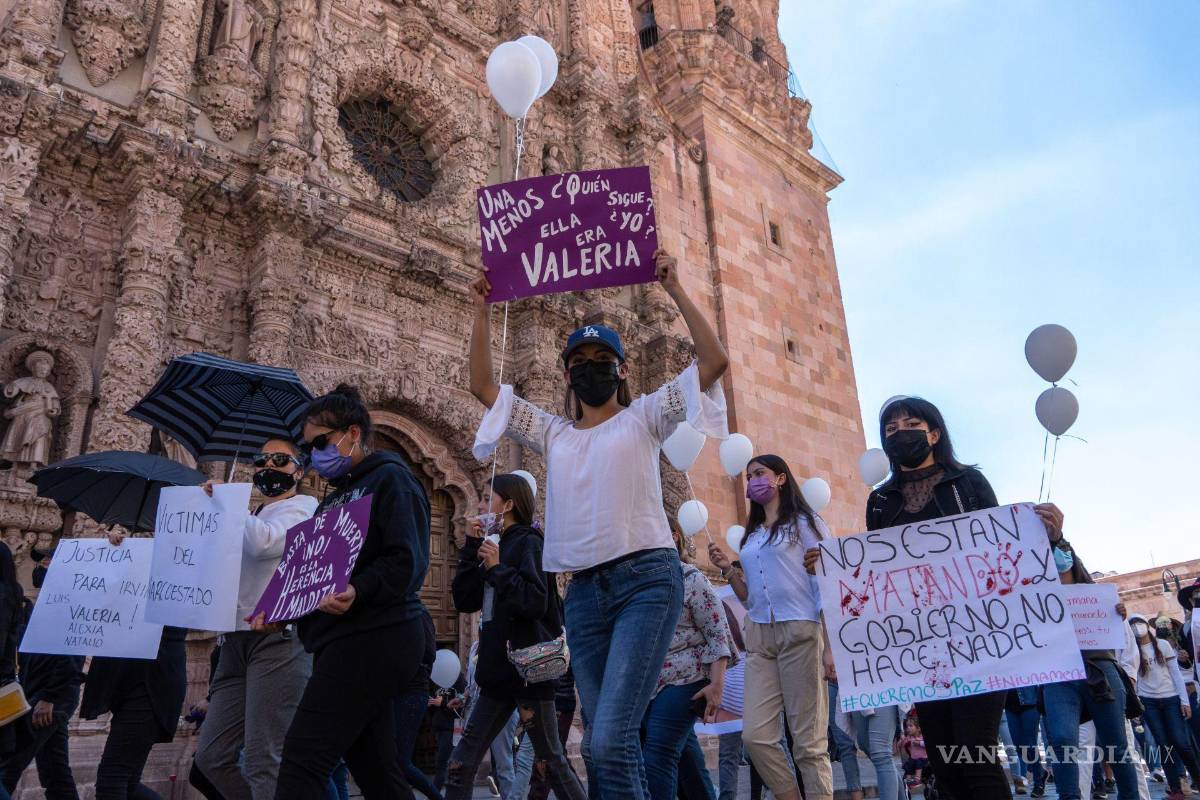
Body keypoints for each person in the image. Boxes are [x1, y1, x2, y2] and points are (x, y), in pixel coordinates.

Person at [469, 248, 729, 800]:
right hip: (583, 592)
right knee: (596, 745)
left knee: (609, 737)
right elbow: (485, 388)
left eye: (601, 357)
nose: (591, 366)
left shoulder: (647, 415)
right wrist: (482, 309)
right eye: (579, 359)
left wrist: (675, 286)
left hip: (646, 581)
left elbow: (712, 363)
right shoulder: (553, 432)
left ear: (622, 367)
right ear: (567, 372)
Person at [824, 396, 1055, 800]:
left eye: (910, 423)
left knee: (975, 754)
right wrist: (829, 568)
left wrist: (1049, 535)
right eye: (890, 430)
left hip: (980, 640)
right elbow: (879, 573)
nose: (900, 433)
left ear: (933, 433)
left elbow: (1001, 550)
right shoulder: (880, 501)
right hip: (925, 649)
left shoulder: (969, 483)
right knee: (945, 762)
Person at [269, 384, 431, 800]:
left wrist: (358, 590)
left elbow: (406, 562)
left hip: (376, 635)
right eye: (308, 449)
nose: (315, 455)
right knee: (378, 773)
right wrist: (278, 605)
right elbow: (313, 574)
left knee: (302, 761)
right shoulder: (332, 501)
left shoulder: (391, 479)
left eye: (320, 442)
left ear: (352, 434)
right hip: (340, 640)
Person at [446, 473, 585, 800]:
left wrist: (498, 569)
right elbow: (465, 601)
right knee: (460, 765)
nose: (479, 504)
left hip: (529, 674)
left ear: (508, 504)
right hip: (497, 674)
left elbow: (536, 602)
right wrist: (470, 549)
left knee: (551, 761)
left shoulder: (531, 542)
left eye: (486, 497)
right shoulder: (492, 546)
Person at [194, 439, 318, 799]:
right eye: (260, 460)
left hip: (276, 640)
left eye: (280, 459)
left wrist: (228, 506)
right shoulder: (254, 514)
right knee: (211, 756)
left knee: (265, 757)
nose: (268, 467)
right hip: (234, 639)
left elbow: (265, 543)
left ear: (299, 468)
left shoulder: (305, 507)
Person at [708, 454, 833, 800]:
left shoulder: (806, 522)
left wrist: (830, 648)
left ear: (780, 479)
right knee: (756, 736)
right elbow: (750, 599)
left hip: (801, 631)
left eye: (759, 473)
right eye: (749, 476)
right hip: (760, 637)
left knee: (809, 742)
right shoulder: (751, 538)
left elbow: (825, 585)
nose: (752, 481)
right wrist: (729, 571)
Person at [1042, 533, 1139, 800]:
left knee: (1116, 745)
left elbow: (1118, 637)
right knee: (1062, 741)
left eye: (1063, 555)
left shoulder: (1097, 596)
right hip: (1059, 674)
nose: (1060, 563)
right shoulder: (1035, 600)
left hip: (1100, 670)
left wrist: (1117, 614)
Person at [640, 525, 734, 799]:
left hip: (688, 678)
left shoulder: (692, 579)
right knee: (685, 760)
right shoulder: (643, 587)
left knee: (657, 754)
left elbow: (718, 633)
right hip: (652, 685)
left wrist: (717, 685)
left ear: (674, 537)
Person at [1, 554, 84, 800]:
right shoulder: (40, 607)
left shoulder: (70, 607)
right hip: (35, 694)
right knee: (55, 772)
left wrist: (49, 697)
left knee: (8, 767)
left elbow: (71, 658)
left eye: (46, 564)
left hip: (48, 700)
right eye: (39, 564)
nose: (40, 570)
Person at [1130, 613, 1200, 800]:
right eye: (1133, 624)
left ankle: (1197, 778)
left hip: (1170, 699)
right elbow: (1133, 680)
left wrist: (1184, 701)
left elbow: (1176, 674)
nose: (1137, 627)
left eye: (1139, 623)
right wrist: (1136, 706)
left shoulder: (1162, 645)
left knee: (1181, 742)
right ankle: (1176, 788)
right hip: (1148, 701)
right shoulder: (1132, 651)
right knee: (1164, 746)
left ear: (1147, 625)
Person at [393, 609, 443, 799]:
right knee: (392, 760)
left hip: (411, 692)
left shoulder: (417, 612)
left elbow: (429, 654)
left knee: (400, 761)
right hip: (397, 692)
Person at [1005, 688, 1047, 797]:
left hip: (1030, 702)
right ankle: (1041, 771)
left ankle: (1038, 784)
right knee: (1019, 746)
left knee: (1030, 745)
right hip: (1009, 705)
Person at [899, 717, 928, 789]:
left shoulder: (922, 737)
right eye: (907, 726)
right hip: (913, 759)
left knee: (918, 762)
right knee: (908, 764)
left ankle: (917, 779)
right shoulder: (909, 737)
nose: (908, 728)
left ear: (918, 728)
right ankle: (908, 780)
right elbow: (899, 746)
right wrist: (902, 740)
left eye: (911, 726)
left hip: (923, 759)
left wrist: (919, 743)